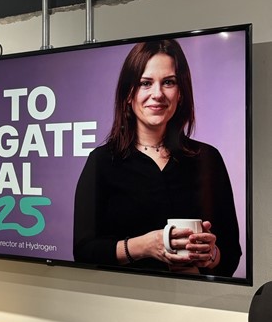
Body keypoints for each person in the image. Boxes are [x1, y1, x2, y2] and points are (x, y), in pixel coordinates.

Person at [73, 38, 241, 278]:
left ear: (181, 92)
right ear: (128, 94)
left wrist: (211, 254)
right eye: (145, 83)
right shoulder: (102, 161)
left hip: (194, 304)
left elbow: (232, 254)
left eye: (169, 82)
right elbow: (83, 251)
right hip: (117, 301)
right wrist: (146, 246)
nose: (157, 94)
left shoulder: (208, 159)